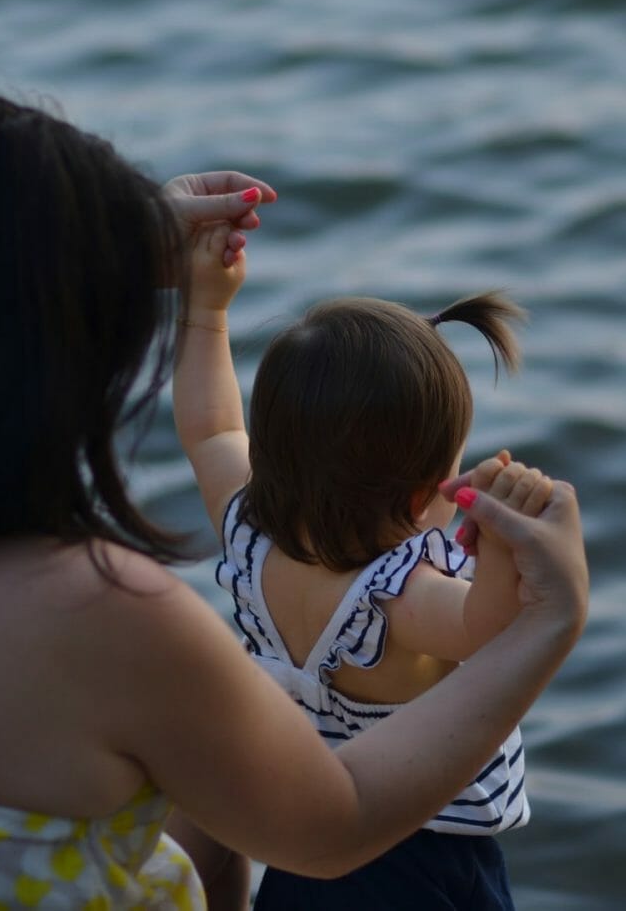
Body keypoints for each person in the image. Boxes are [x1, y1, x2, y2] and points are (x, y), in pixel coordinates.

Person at [0, 91, 590, 910]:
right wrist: (548, 622)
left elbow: (198, 427)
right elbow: (338, 824)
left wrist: (105, 250)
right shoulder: (106, 620)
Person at [172, 219, 554, 909]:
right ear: (420, 493)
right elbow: (495, 630)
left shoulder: (248, 534)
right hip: (421, 858)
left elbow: (212, 428)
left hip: (308, 841)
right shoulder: (401, 600)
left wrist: (206, 310)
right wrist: (501, 534)